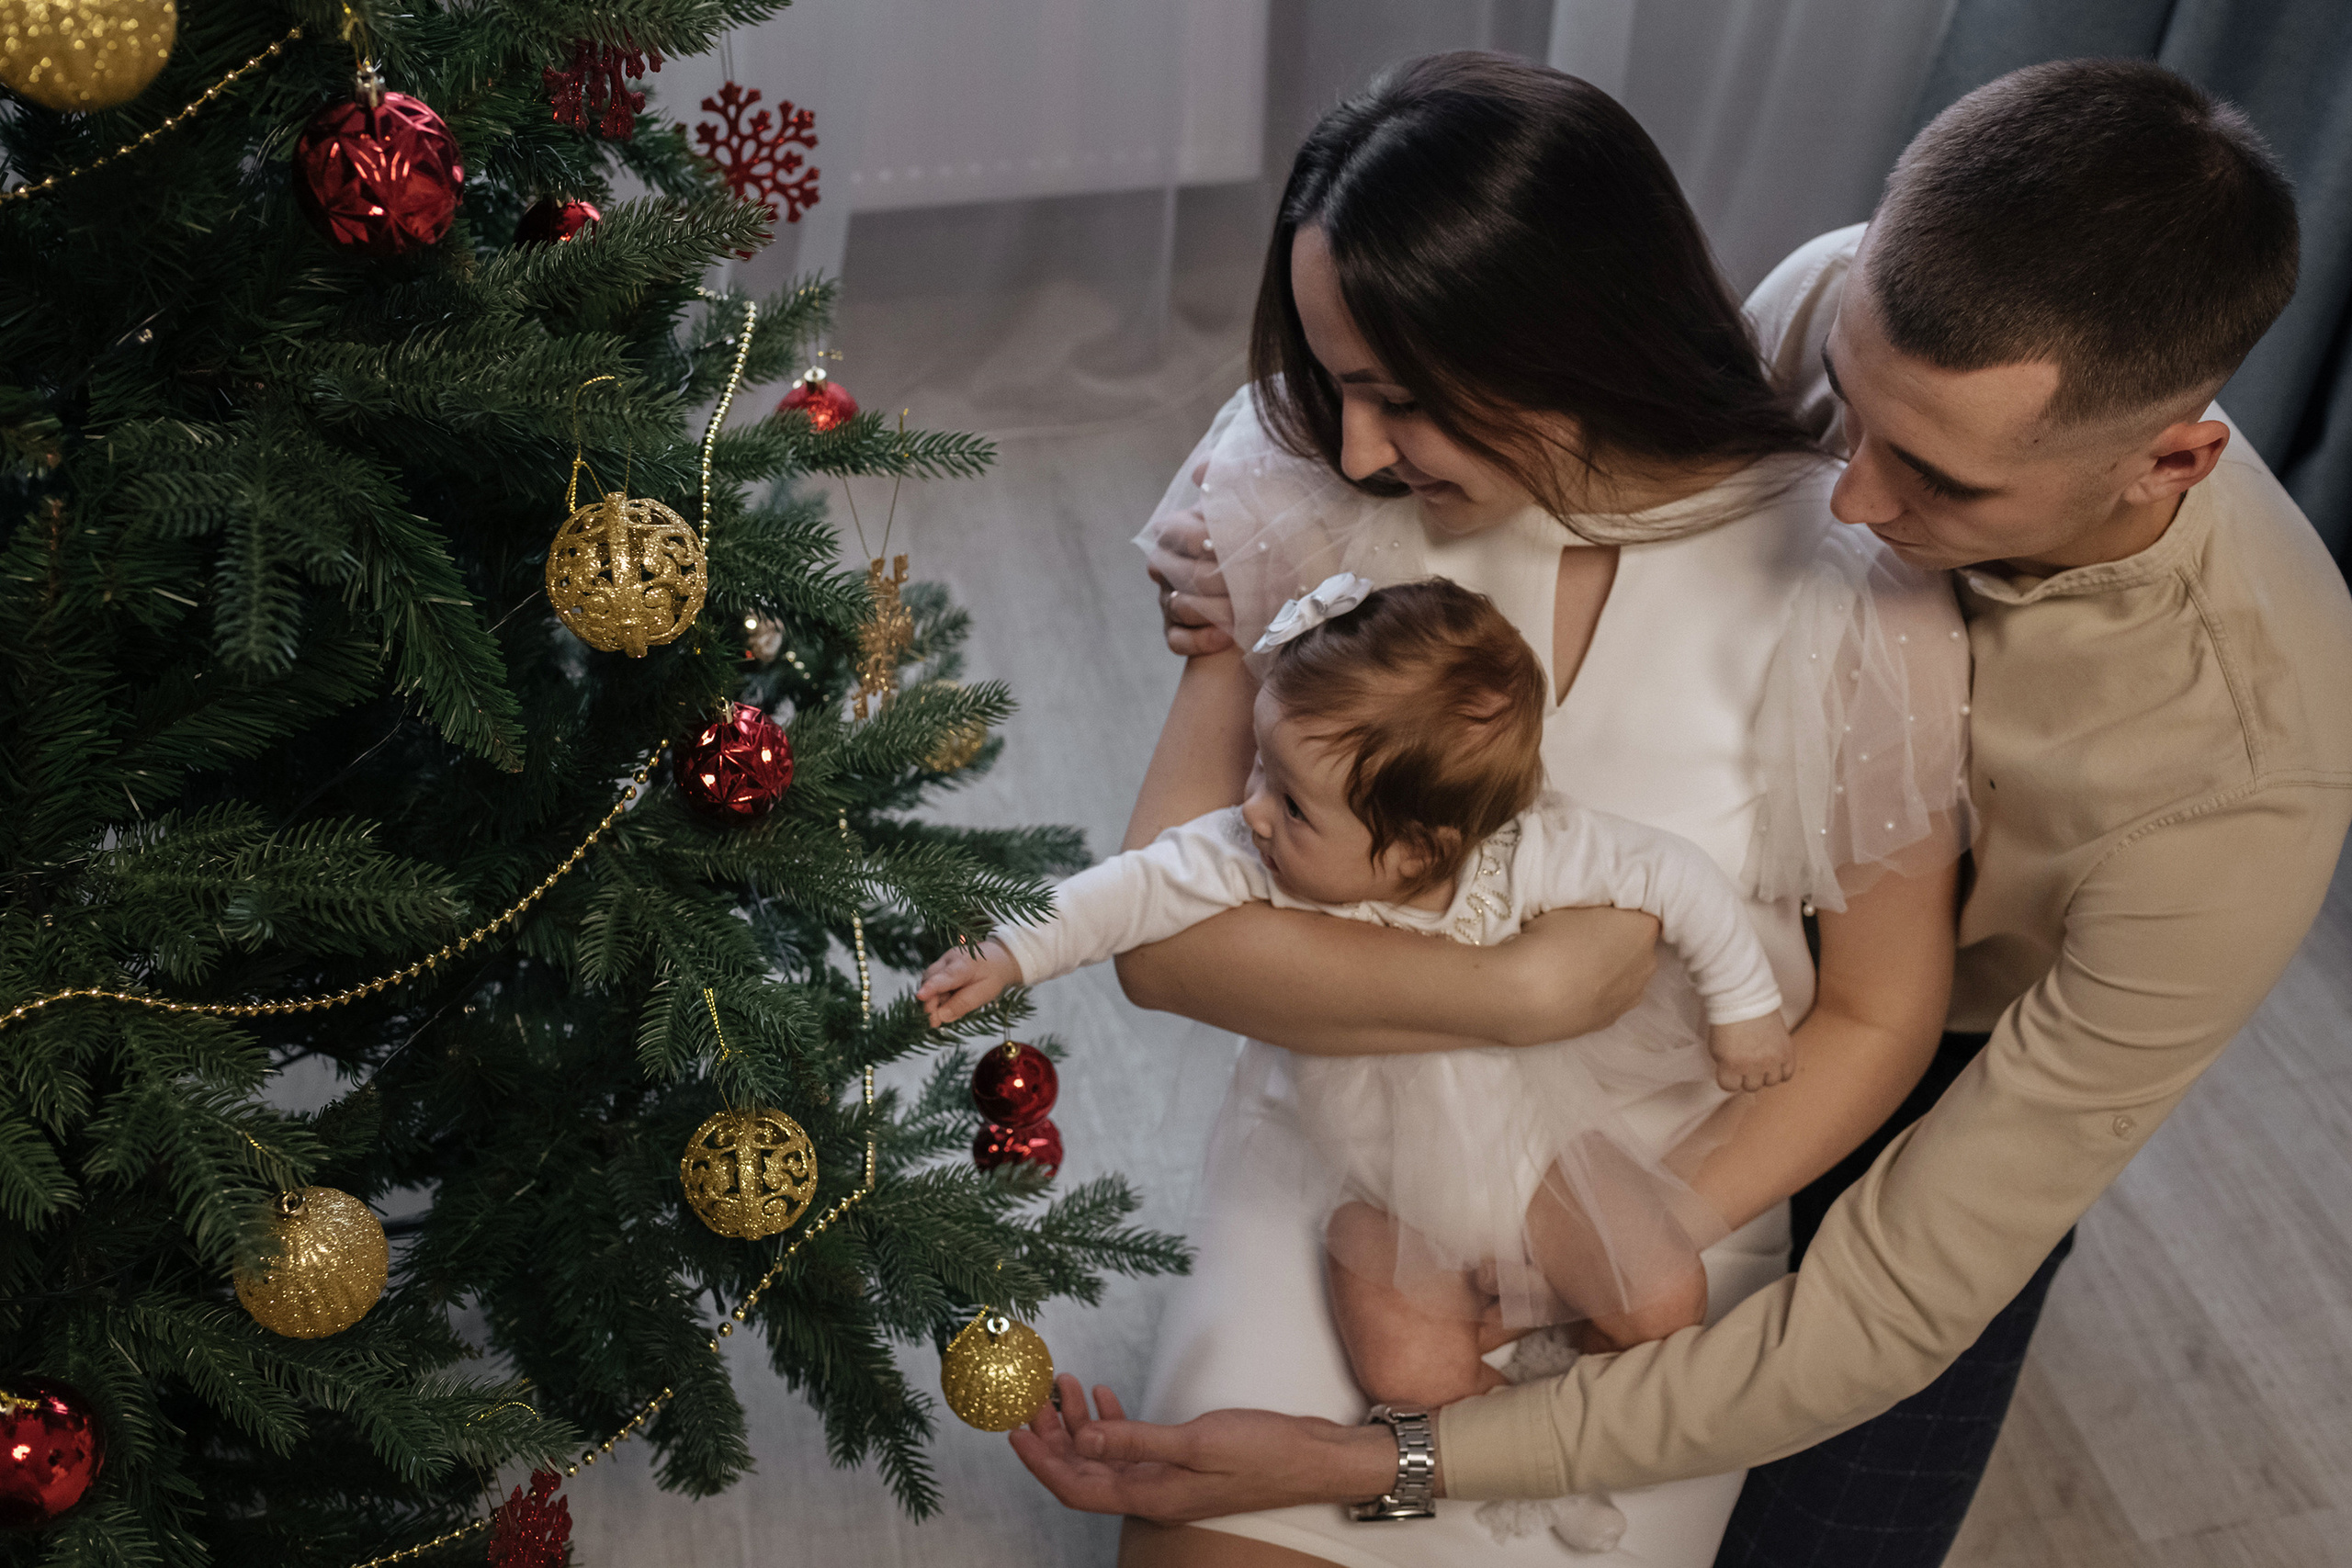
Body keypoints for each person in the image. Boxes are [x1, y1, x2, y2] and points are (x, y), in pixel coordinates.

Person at [1012, 56, 2352, 1568]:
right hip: (1429, 1117)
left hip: (1903, 1058)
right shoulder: (1861, 324)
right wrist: (1519, 990)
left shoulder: (2235, 793)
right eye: (1847, 400)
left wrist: (1458, 1381)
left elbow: (1887, 1116)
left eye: (1934, 480)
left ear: (2171, 459)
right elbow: (1678, 442)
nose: (1852, 498)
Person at [921, 577, 1792, 1470]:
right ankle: (1520, 1438)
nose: (1252, 809)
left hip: (1537, 1150)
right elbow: (1136, 887)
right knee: (1408, 1376)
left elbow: (1672, 873)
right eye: (1262, 767)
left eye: (1293, 803)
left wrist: (1745, 1009)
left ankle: (1585, 1376)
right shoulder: (1253, 852)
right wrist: (1013, 950)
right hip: (1379, 1186)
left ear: (1419, 849)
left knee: (1665, 1298)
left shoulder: (1524, 859)